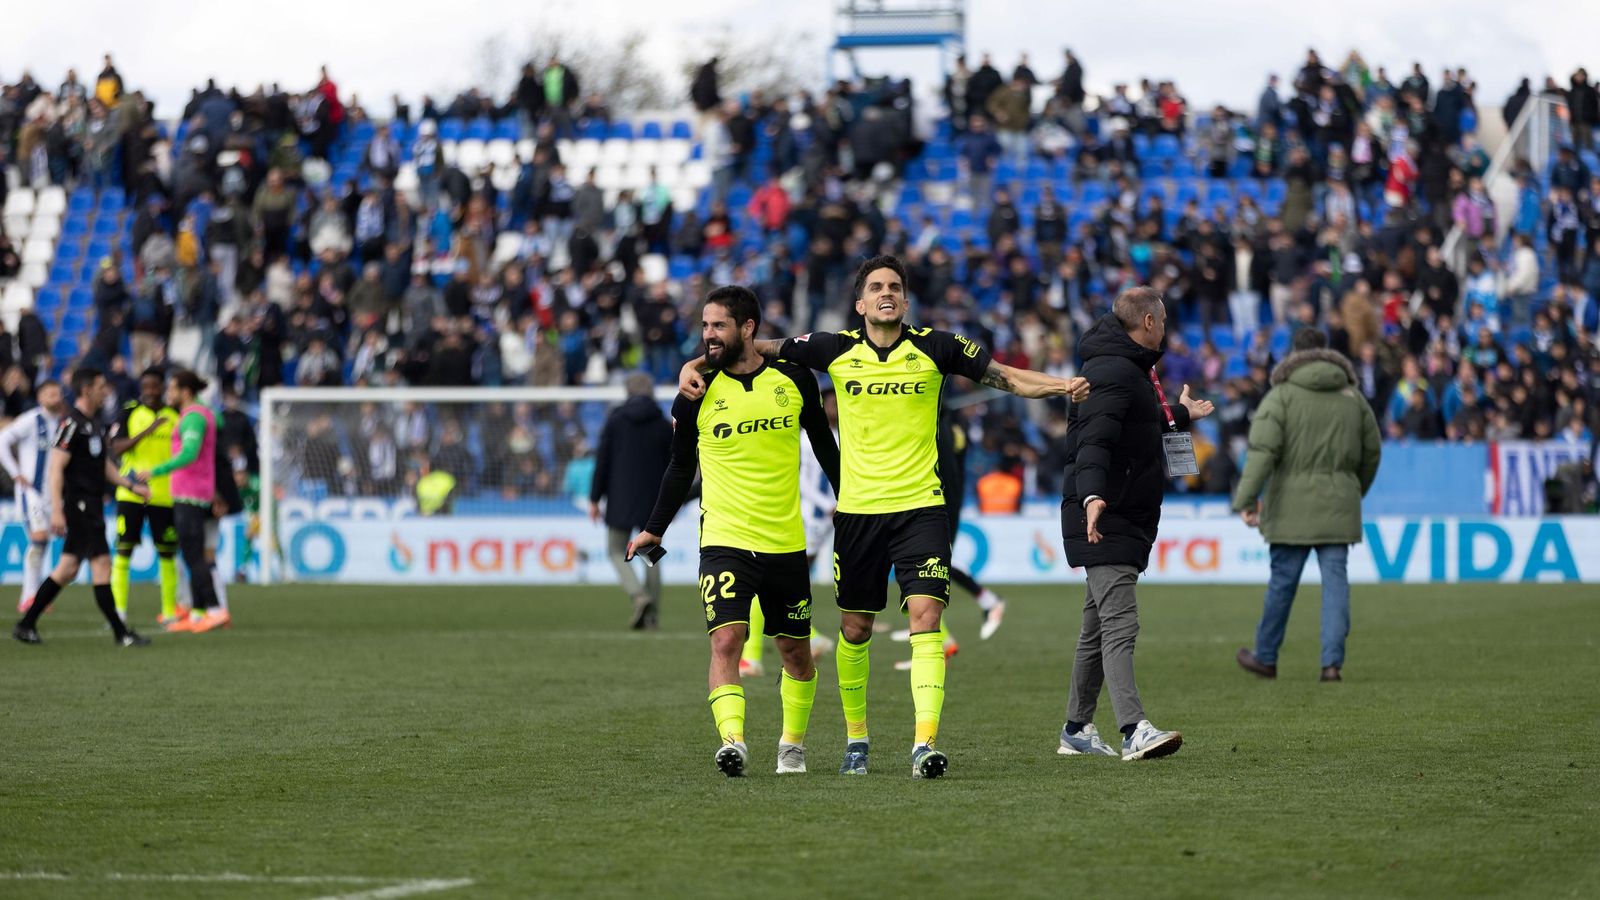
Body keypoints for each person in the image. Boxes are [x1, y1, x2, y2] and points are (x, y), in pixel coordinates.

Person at [680, 255, 1091, 778]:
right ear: (861, 303)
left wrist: (1060, 385)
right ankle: (857, 739)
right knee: (855, 629)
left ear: (905, 298)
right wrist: (695, 365)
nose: (886, 293)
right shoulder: (834, 348)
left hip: (921, 507)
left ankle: (924, 744)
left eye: (894, 286)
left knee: (926, 617)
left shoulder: (937, 347)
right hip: (857, 513)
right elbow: (752, 346)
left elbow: (1004, 376)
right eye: (875, 287)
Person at [630, 286, 841, 777]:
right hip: (723, 538)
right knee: (726, 641)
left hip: (786, 541)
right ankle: (733, 742)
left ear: (747, 328)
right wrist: (654, 529)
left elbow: (826, 449)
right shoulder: (695, 392)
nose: (708, 336)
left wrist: (848, 500)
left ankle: (792, 745)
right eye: (704, 326)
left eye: (718, 325)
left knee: (795, 652)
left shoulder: (794, 379)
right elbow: (679, 468)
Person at [1058, 286, 1214, 761]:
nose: (1165, 329)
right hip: (1108, 515)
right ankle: (1133, 729)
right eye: (1162, 321)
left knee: (1096, 629)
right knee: (1120, 624)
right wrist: (1092, 495)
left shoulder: (1125, 370)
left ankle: (1076, 730)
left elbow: (1138, 429)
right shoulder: (1114, 372)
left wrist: (1184, 413)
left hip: (1118, 512)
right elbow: (1095, 441)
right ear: (1148, 322)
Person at [1232, 330, 1382, 682]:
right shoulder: (1353, 397)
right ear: (1325, 353)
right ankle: (1332, 665)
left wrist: (1246, 499)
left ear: (1293, 355)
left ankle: (1266, 657)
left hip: (1290, 507)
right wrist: (1351, 490)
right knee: (1336, 586)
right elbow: (1372, 453)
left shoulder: (1280, 396)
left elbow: (1262, 454)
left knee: (1282, 584)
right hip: (1339, 502)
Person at [13, 368, 152, 647]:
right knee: (98, 565)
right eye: (101, 386)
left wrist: (130, 485)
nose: (106, 391)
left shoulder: (96, 424)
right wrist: (56, 510)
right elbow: (55, 469)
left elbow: (103, 467)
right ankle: (120, 633)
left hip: (91, 506)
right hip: (78, 506)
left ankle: (27, 624)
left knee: (69, 569)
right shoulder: (70, 425)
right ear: (87, 390)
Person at [140, 370, 229, 634]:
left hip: (190, 492)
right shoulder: (202, 413)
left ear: (186, 392)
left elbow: (189, 453)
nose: (169, 393)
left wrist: (156, 470)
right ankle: (199, 614)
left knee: (193, 555)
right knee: (194, 553)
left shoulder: (193, 418)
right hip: (196, 491)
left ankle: (215, 609)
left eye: (173, 388)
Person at [589, 372, 672, 629]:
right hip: (653, 499)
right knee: (650, 554)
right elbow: (674, 465)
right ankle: (653, 615)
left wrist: (594, 498)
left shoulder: (615, 421)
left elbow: (602, 461)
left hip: (620, 497)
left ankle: (638, 595)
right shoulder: (662, 423)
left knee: (615, 550)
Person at [109, 368, 181, 627]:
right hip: (130, 493)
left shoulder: (175, 415)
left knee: (168, 554)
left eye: (154, 386)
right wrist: (148, 430)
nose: (150, 392)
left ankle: (170, 612)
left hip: (165, 495)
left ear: (162, 387)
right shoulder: (129, 411)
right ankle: (118, 612)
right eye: (146, 386)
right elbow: (115, 447)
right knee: (123, 552)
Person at [0, 380, 67, 613]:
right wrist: (16, 473)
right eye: (50, 394)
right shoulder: (31, 420)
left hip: (53, 494)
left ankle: (34, 595)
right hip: (32, 492)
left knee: (44, 541)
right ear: (40, 397)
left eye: (58, 393)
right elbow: (2, 441)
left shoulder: (62, 423)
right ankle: (28, 597)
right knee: (38, 538)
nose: (55, 397)